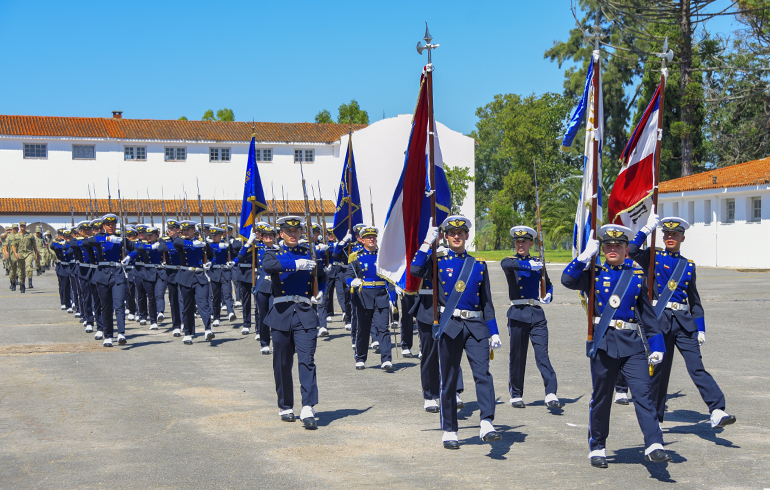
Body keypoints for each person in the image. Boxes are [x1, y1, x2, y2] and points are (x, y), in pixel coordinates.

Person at [561, 224, 671, 468]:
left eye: (618, 246)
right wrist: (583, 257)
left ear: (626, 250)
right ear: (602, 249)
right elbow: (567, 280)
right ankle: (597, 446)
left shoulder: (636, 277)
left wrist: (657, 346)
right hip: (604, 344)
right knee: (602, 397)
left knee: (643, 393)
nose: (613, 249)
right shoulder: (593, 274)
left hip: (632, 345)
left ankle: (654, 443)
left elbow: (647, 315)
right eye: (608, 246)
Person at [629, 214, 736, 429]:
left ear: (682, 238)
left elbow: (694, 300)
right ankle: (655, 419)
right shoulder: (653, 257)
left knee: (697, 367)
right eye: (667, 234)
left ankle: (716, 409)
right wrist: (647, 229)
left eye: (675, 234)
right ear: (663, 237)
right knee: (659, 372)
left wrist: (701, 328)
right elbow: (631, 251)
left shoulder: (688, 265)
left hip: (684, 324)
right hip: (659, 321)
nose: (670, 237)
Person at [410, 215, 502, 449]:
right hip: (450, 326)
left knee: (483, 374)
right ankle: (450, 429)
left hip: (476, 327)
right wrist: (426, 243)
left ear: (467, 236)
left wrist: (494, 331)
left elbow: (487, 302)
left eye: (460, 233)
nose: (457, 237)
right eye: (452, 233)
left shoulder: (478, 265)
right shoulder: (438, 261)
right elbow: (416, 269)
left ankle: (487, 422)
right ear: (446, 237)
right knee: (449, 379)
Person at [261, 216, 326, 429]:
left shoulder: (310, 252)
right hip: (281, 312)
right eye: (288, 232)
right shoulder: (273, 252)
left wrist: (321, 291)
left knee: (307, 360)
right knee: (282, 362)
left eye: (296, 231)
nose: (293, 234)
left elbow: (322, 276)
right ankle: (285, 405)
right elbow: (268, 265)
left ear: (301, 233)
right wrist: (295, 265)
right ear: (281, 234)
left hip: (305, 312)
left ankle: (308, 406)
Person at [500, 225, 562, 410]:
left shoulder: (538, 263)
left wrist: (549, 294)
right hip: (518, 313)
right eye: (517, 242)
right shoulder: (512, 262)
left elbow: (547, 283)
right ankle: (516, 394)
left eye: (524, 242)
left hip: (536, 314)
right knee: (517, 356)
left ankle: (551, 392)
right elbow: (506, 264)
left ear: (531, 243)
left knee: (542, 354)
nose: (520, 245)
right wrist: (528, 266)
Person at [346, 226, 397, 370]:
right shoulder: (356, 257)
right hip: (364, 297)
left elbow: (389, 279)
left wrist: (392, 298)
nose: (372, 239)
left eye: (373, 237)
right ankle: (360, 357)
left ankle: (386, 360)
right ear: (362, 240)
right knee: (363, 329)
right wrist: (352, 282)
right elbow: (348, 275)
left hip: (381, 296)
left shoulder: (383, 256)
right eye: (368, 237)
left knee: (383, 328)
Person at [83, 214, 134, 347]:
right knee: (106, 307)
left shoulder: (121, 238)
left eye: (113, 224)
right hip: (102, 274)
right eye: (108, 225)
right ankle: (108, 335)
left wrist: (130, 257)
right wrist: (107, 238)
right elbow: (86, 242)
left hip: (117, 274)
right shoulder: (100, 238)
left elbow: (137, 247)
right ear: (104, 226)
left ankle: (121, 333)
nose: (111, 227)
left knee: (119, 305)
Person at [173, 221, 215, 345]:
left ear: (194, 231)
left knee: (203, 303)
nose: (185, 232)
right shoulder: (181, 242)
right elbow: (176, 242)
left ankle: (208, 329)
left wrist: (210, 263)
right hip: (185, 276)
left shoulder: (202, 243)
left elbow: (212, 257)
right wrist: (192, 243)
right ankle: (188, 333)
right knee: (187, 306)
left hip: (199, 276)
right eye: (184, 230)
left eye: (188, 230)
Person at [208, 226, 237, 330]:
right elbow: (209, 255)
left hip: (225, 272)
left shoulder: (227, 245)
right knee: (216, 297)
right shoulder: (210, 245)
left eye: (216, 235)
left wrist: (231, 260)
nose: (214, 237)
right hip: (214, 273)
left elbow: (234, 255)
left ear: (221, 235)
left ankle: (231, 312)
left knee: (227, 294)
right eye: (212, 235)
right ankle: (216, 317)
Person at [163, 219, 184, 337]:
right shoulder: (165, 240)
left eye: (172, 229)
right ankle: (176, 325)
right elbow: (161, 248)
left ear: (178, 230)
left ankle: (185, 322)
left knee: (184, 299)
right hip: (171, 273)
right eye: (169, 229)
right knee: (174, 300)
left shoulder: (182, 241)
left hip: (182, 272)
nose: (169, 231)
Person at [11, 221, 39, 292]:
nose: (22, 227)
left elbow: (34, 246)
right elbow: (13, 245)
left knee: (29, 268)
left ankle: (29, 282)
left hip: (29, 253)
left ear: (25, 226)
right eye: (21, 226)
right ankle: (22, 284)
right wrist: (15, 253)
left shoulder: (30, 235)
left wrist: (36, 255)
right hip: (20, 254)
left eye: (24, 226)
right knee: (21, 271)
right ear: (19, 227)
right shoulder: (16, 236)